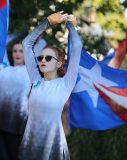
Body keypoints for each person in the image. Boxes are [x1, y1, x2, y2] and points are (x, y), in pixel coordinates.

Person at [18, 11, 82, 160]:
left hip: (52, 149)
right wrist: (47, 22)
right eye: (40, 57)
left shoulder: (66, 83)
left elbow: (77, 46)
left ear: (59, 63)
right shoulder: (36, 79)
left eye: (48, 57)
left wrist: (70, 26)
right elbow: (26, 44)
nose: (42, 60)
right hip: (29, 146)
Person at [0, 38, 46, 160]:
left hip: (18, 125)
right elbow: (2, 43)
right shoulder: (4, 70)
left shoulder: (30, 71)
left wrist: (27, 35)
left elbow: (42, 43)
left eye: (21, 51)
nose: (17, 54)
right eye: (15, 51)